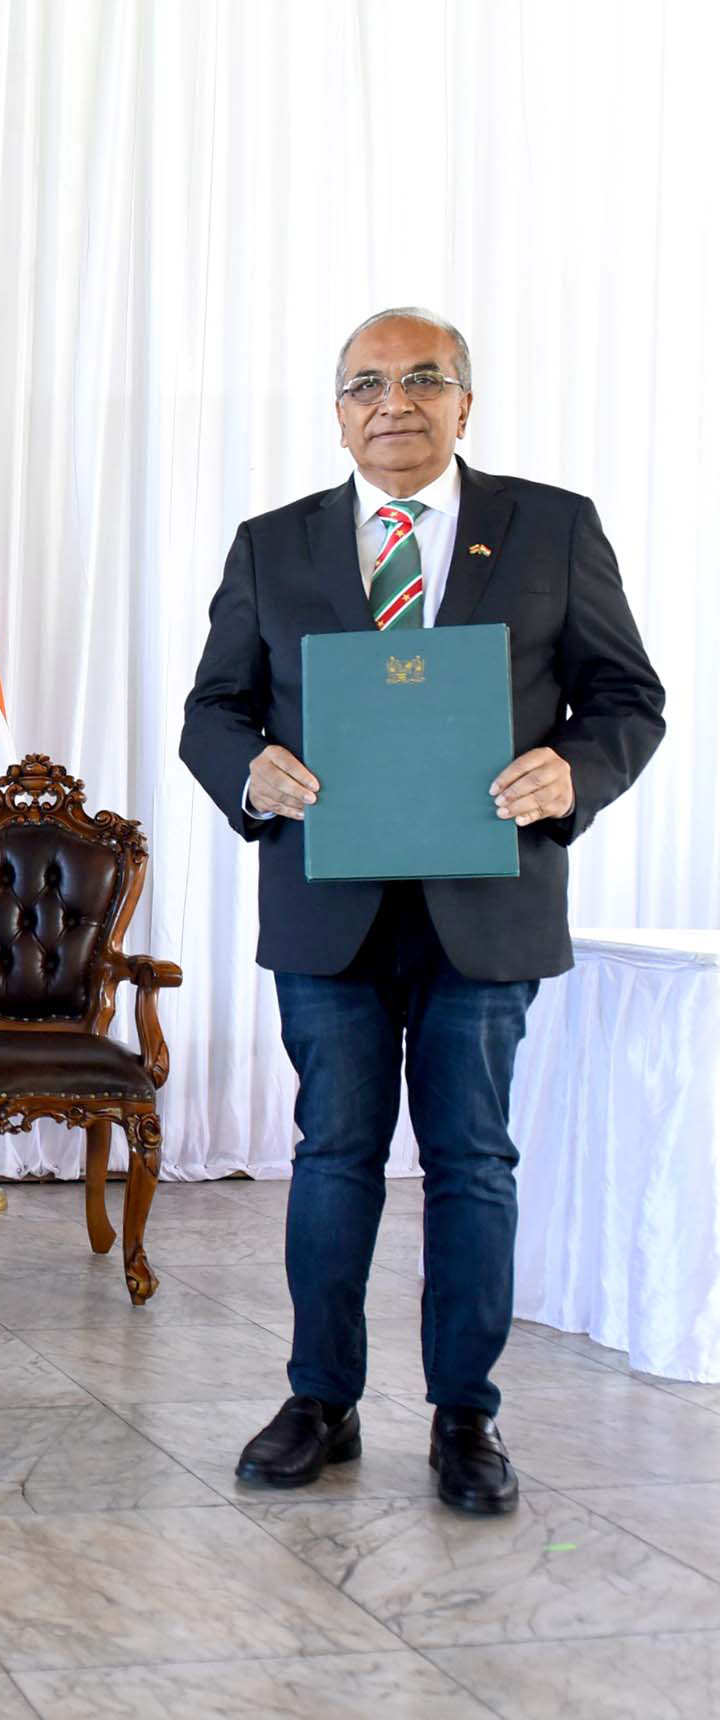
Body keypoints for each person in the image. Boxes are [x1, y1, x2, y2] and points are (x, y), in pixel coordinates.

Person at [180, 308, 665, 1513]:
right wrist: (248, 770)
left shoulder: (550, 527)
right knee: (332, 1154)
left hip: (485, 905)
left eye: (420, 379)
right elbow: (212, 710)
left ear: (464, 401)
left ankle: (466, 1415)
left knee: (471, 1161)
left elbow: (625, 698)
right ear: (336, 412)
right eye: (365, 385)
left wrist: (573, 773)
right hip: (326, 905)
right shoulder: (271, 543)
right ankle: (319, 1399)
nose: (391, 402)